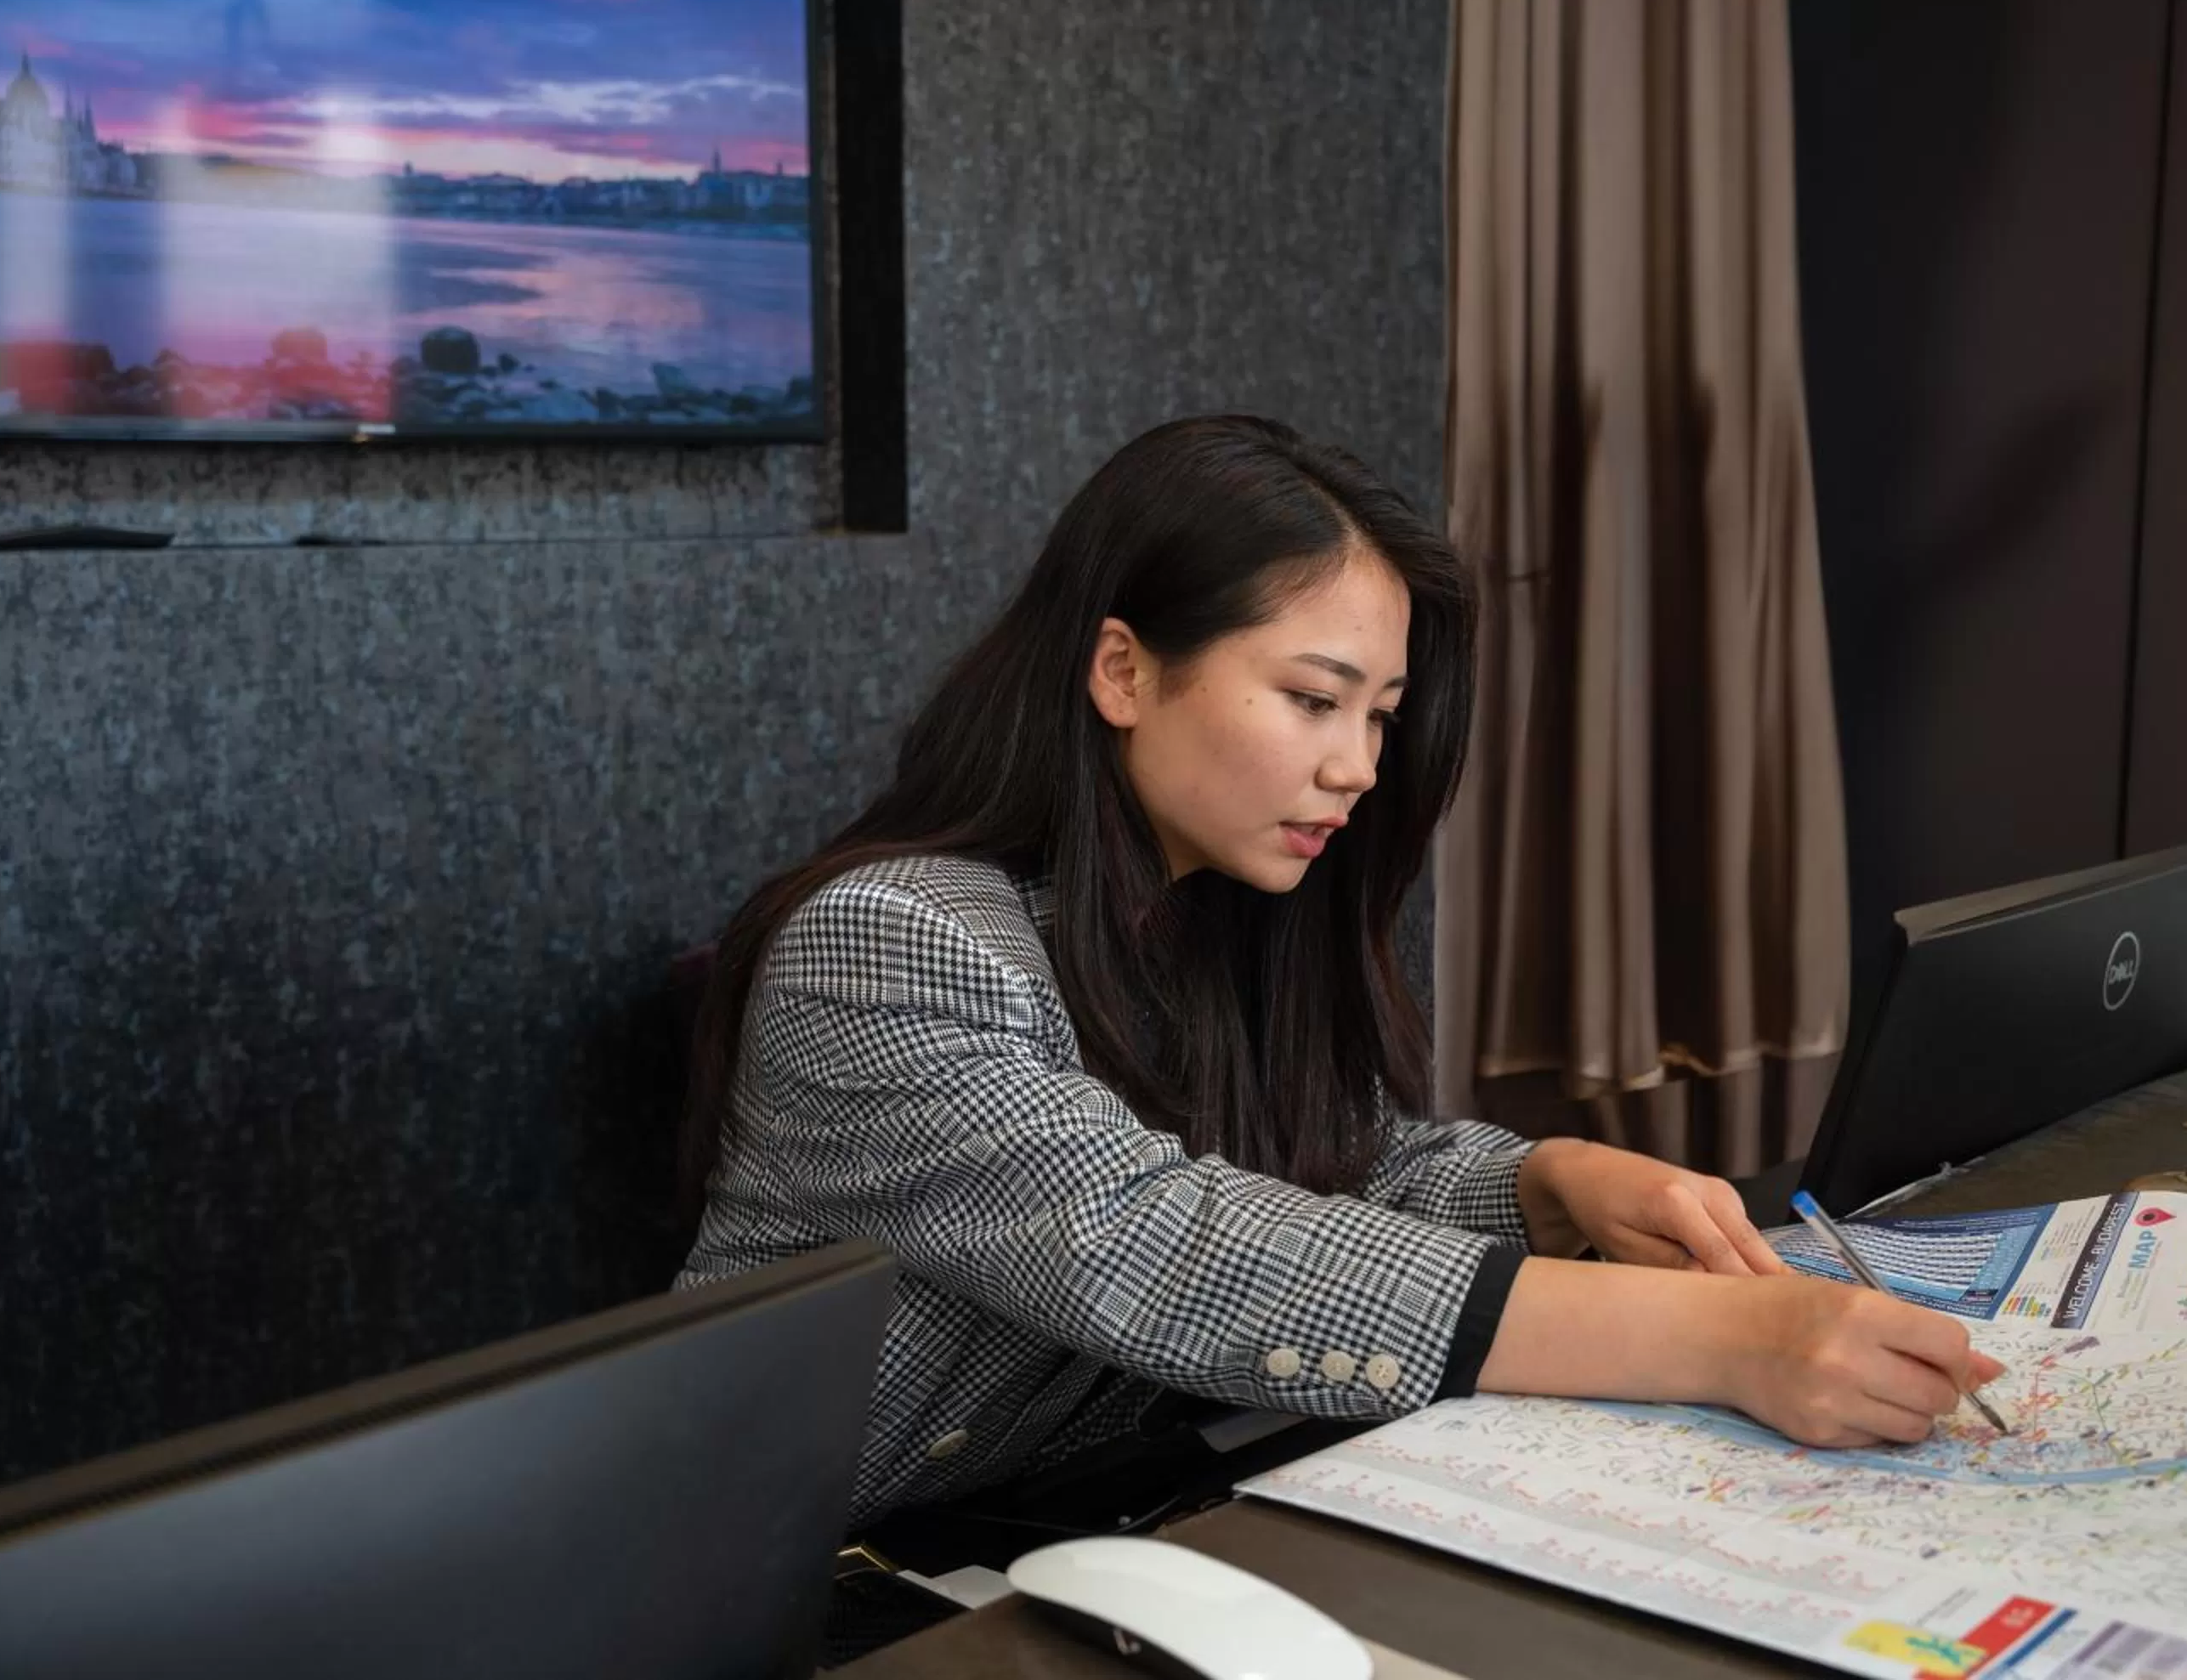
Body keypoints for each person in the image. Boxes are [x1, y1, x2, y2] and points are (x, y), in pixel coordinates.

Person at [675, 415, 2003, 1544]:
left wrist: (1542, 1184)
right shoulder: (888, 940)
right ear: (1124, 670)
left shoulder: (1213, 909)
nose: (1361, 767)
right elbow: (1156, 1239)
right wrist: (1725, 1341)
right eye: (1315, 699)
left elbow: (1322, 1164)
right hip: (795, 1585)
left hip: (1083, 1523)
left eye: (1378, 713)